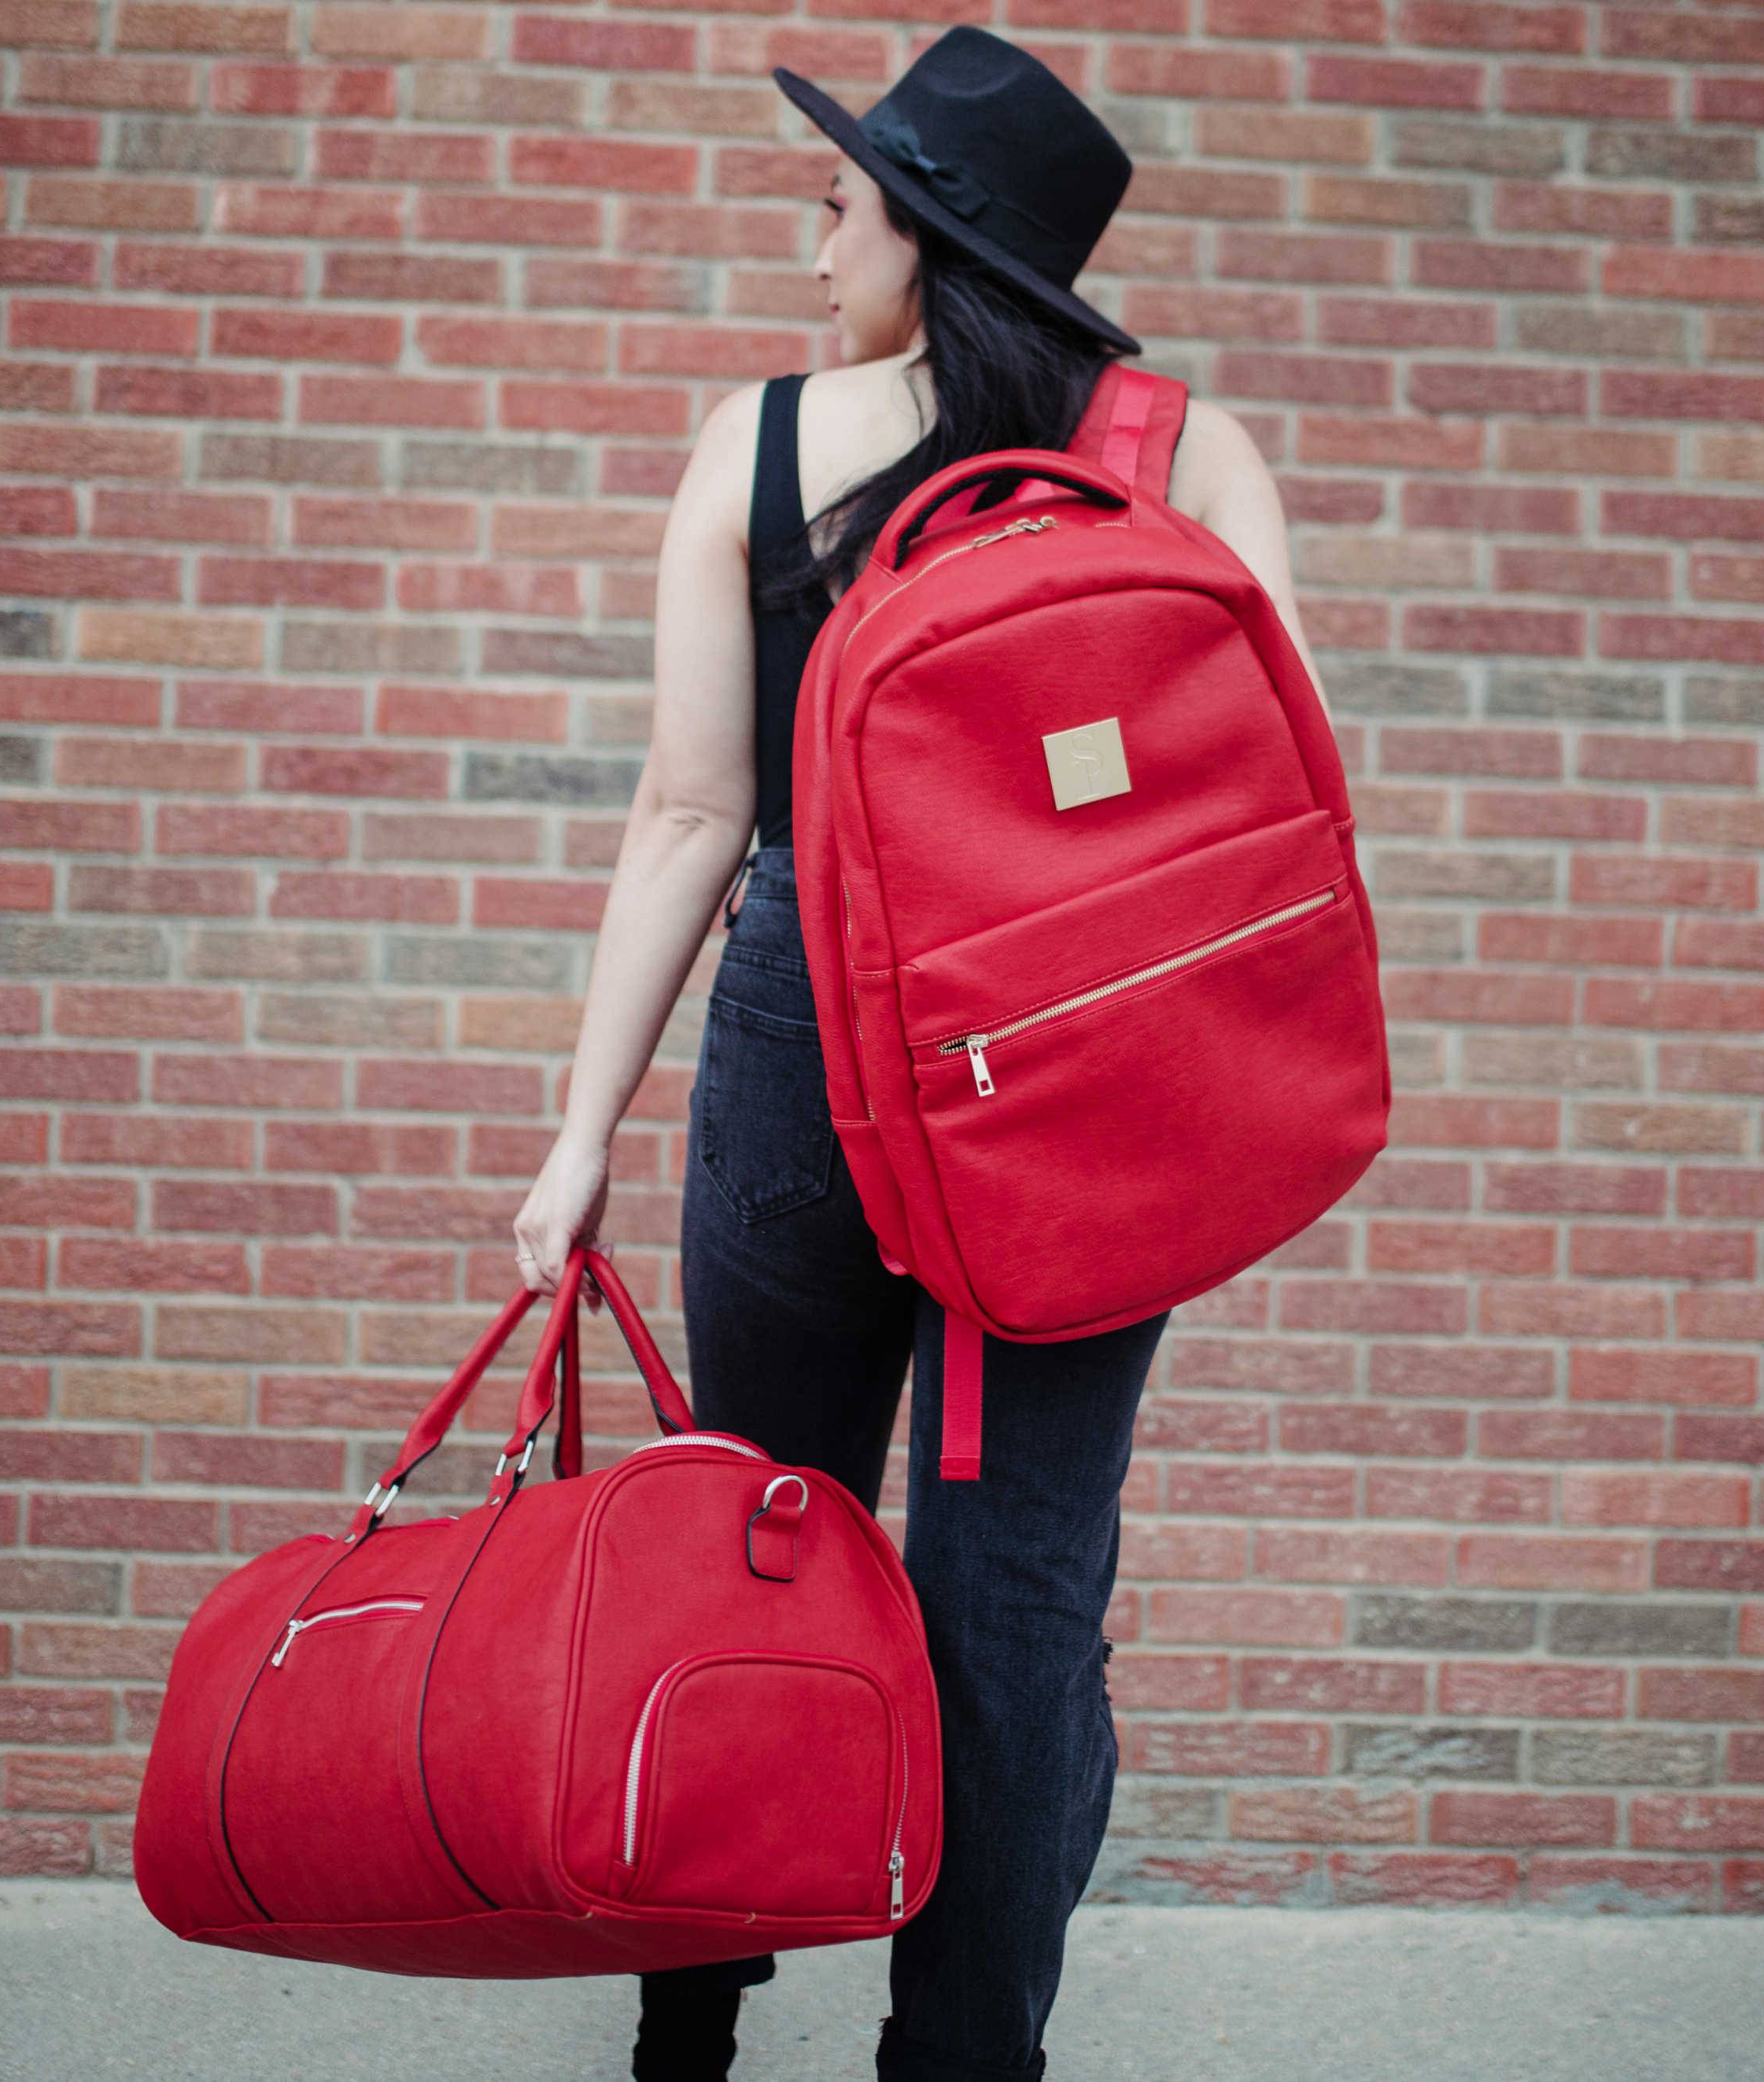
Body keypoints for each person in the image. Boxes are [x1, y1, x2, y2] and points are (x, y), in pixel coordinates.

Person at [510, 27, 1334, 2081]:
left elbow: (693, 814)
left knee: (755, 1544)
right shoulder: (1185, 453)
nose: (811, 253)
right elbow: (1272, 820)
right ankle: (967, 2058)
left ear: (923, 241)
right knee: (1020, 1589)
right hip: (1084, 1076)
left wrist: (580, 1133)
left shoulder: (763, 447)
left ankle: (687, 2039)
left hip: (814, 1046)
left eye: (834, 208)